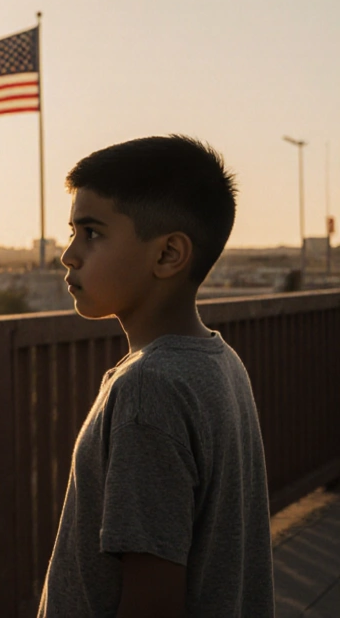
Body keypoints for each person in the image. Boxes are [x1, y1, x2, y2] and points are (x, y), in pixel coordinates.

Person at [38, 135, 273, 617]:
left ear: (168, 255)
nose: (69, 255)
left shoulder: (149, 390)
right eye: (72, 232)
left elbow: (152, 600)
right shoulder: (219, 361)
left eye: (92, 233)